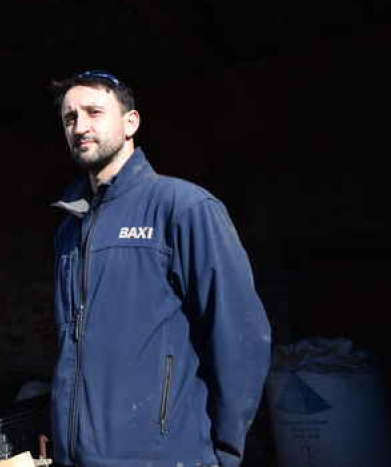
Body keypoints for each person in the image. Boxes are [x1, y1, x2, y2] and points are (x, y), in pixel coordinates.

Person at [49, 70, 271, 467]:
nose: (80, 126)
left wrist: (224, 452)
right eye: (70, 117)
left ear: (131, 122)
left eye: (94, 112)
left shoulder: (184, 208)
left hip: (166, 454)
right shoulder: (71, 225)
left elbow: (240, 337)